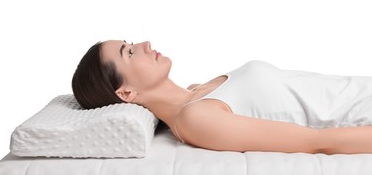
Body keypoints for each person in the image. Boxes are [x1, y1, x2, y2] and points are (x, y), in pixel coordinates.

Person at [72, 40, 372, 154]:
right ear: (126, 93)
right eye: (130, 52)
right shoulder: (196, 119)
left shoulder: (196, 91)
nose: (145, 43)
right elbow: (317, 141)